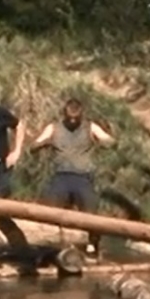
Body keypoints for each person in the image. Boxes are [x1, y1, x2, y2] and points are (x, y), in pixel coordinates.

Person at [31, 98, 116, 258]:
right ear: (64, 114)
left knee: (90, 213)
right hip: (61, 177)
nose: (72, 121)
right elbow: (34, 145)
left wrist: (103, 141)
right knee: (50, 213)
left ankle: (92, 247)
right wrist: (45, 142)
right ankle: (48, 249)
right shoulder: (54, 128)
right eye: (69, 118)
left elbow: (110, 141)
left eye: (75, 119)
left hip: (82, 177)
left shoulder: (90, 127)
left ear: (81, 115)